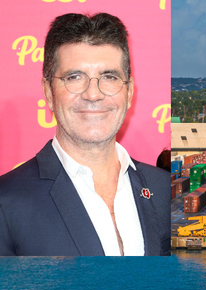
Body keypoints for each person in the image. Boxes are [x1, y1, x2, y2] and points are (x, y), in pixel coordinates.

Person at [0, 13, 170, 256]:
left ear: (129, 91)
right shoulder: (6, 202)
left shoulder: (164, 189)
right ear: (48, 91)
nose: (93, 94)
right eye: (74, 77)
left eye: (109, 77)